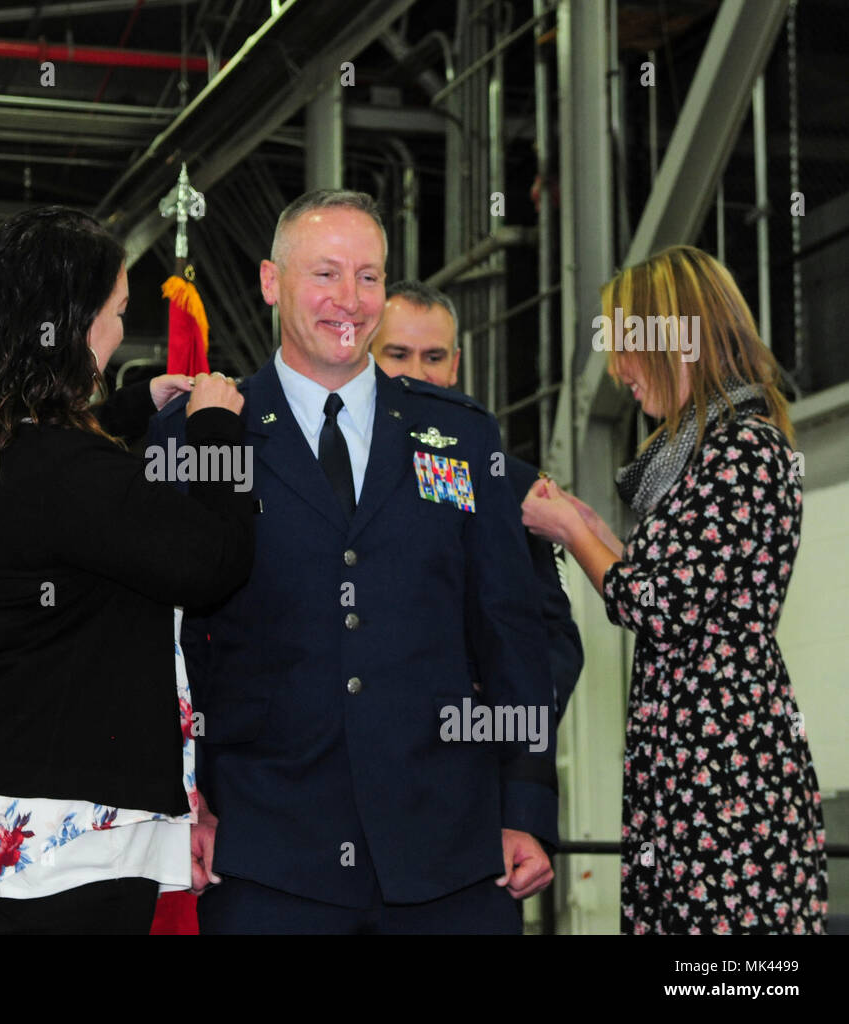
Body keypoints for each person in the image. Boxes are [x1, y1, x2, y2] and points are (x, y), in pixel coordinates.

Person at [149, 190, 558, 934]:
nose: (351, 300)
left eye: (369, 277)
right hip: (267, 853)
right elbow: (172, 639)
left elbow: (509, 627)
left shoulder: (460, 437)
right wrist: (186, 798)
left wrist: (525, 804)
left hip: (450, 854)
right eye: (326, 275)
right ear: (272, 283)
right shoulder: (206, 434)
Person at [0, 206, 254, 935]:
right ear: (78, 322)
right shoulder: (73, 476)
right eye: (117, 312)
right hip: (61, 840)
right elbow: (214, 564)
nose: (122, 332)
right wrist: (219, 432)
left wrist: (125, 408)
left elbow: (54, 492)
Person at [522, 244, 827, 934]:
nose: (619, 369)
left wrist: (573, 530)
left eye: (627, 345)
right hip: (698, 762)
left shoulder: (740, 449)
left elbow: (656, 602)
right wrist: (604, 537)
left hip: (724, 773)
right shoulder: (710, 455)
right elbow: (686, 587)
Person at [371, 281, 583, 719]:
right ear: (364, 359)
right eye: (397, 355)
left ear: (455, 366)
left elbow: (552, 636)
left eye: (434, 357)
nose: (416, 373)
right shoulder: (326, 470)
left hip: (465, 756)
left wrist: (502, 720)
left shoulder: (512, 484)